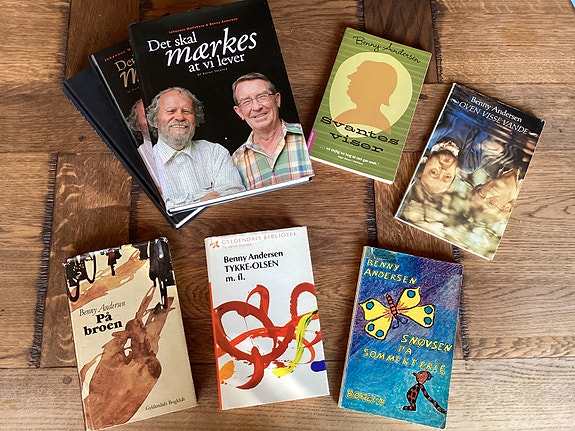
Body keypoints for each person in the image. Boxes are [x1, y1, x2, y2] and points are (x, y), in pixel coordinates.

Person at [146, 87, 245, 209]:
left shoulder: (215, 152)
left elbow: (233, 197)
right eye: (171, 111)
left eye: (186, 111)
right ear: (155, 121)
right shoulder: (146, 164)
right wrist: (202, 200)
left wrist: (173, 205)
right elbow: (152, 213)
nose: (180, 117)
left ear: (195, 119)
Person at [231, 72, 314, 190]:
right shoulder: (235, 162)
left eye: (262, 96)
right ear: (239, 112)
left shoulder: (308, 135)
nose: (256, 107)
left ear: (277, 99)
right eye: (246, 102)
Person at [127, 99, 161, 190]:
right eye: (146, 115)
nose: (153, 120)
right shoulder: (136, 158)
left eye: (156, 114)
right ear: (137, 125)